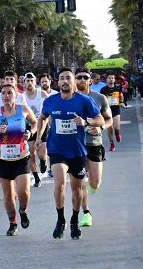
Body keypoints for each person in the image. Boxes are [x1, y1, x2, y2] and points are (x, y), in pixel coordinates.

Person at [33, 69, 104, 240]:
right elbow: (42, 118)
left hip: (77, 151)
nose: (65, 81)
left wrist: (86, 121)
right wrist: (39, 137)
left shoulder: (84, 101)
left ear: (73, 82)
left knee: (77, 188)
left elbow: (100, 119)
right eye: (62, 78)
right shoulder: (51, 101)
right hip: (57, 149)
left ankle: (73, 219)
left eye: (68, 78)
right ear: (58, 82)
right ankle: (60, 219)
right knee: (59, 184)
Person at [0, 84, 37, 236]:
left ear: (16, 95)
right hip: (3, 158)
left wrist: (30, 132)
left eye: (10, 93)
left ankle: (23, 210)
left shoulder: (23, 109)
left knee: (24, 192)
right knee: (8, 194)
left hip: (21, 156)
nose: (6, 96)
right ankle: (13, 222)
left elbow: (35, 123)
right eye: (3, 93)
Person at [76, 69, 112, 227]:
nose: (82, 80)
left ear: (90, 80)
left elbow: (109, 119)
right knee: (80, 181)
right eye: (79, 77)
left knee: (95, 183)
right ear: (74, 80)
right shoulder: (69, 98)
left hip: (94, 143)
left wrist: (101, 128)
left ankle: (91, 187)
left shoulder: (99, 98)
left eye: (85, 77)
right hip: (76, 145)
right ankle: (86, 213)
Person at [22, 73, 50, 187]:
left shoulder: (42, 94)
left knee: (41, 153)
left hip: (41, 124)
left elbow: (47, 113)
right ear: (24, 83)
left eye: (31, 80)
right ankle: (36, 176)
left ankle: (43, 162)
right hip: (27, 126)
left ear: (35, 82)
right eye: (27, 80)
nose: (29, 83)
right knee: (30, 153)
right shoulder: (21, 96)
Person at [100, 73, 125, 150]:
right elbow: (101, 100)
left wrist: (121, 102)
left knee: (116, 127)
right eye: (109, 78)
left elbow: (121, 96)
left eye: (112, 78)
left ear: (114, 80)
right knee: (110, 128)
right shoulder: (103, 90)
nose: (111, 79)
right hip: (107, 110)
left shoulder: (118, 87)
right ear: (106, 80)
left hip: (116, 109)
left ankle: (117, 133)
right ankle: (112, 144)